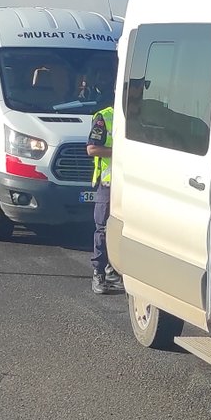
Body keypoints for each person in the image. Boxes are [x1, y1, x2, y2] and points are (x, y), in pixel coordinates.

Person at [87, 95, 123, 295]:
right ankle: (98, 273)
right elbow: (92, 149)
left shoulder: (138, 118)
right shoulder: (104, 117)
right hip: (108, 183)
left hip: (128, 184)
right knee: (103, 228)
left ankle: (113, 270)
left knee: (123, 229)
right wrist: (121, 151)